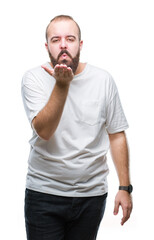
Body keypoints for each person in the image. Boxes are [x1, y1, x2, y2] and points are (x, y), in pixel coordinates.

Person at [21, 15, 133, 240]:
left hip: (91, 196)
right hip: (44, 194)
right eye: (56, 40)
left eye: (70, 39)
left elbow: (116, 134)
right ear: (47, 47)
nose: (63, 45)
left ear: (80, 44)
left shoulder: (103, 80)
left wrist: (125, 187)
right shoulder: (32, 78)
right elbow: (43, 130)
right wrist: (62, 85)